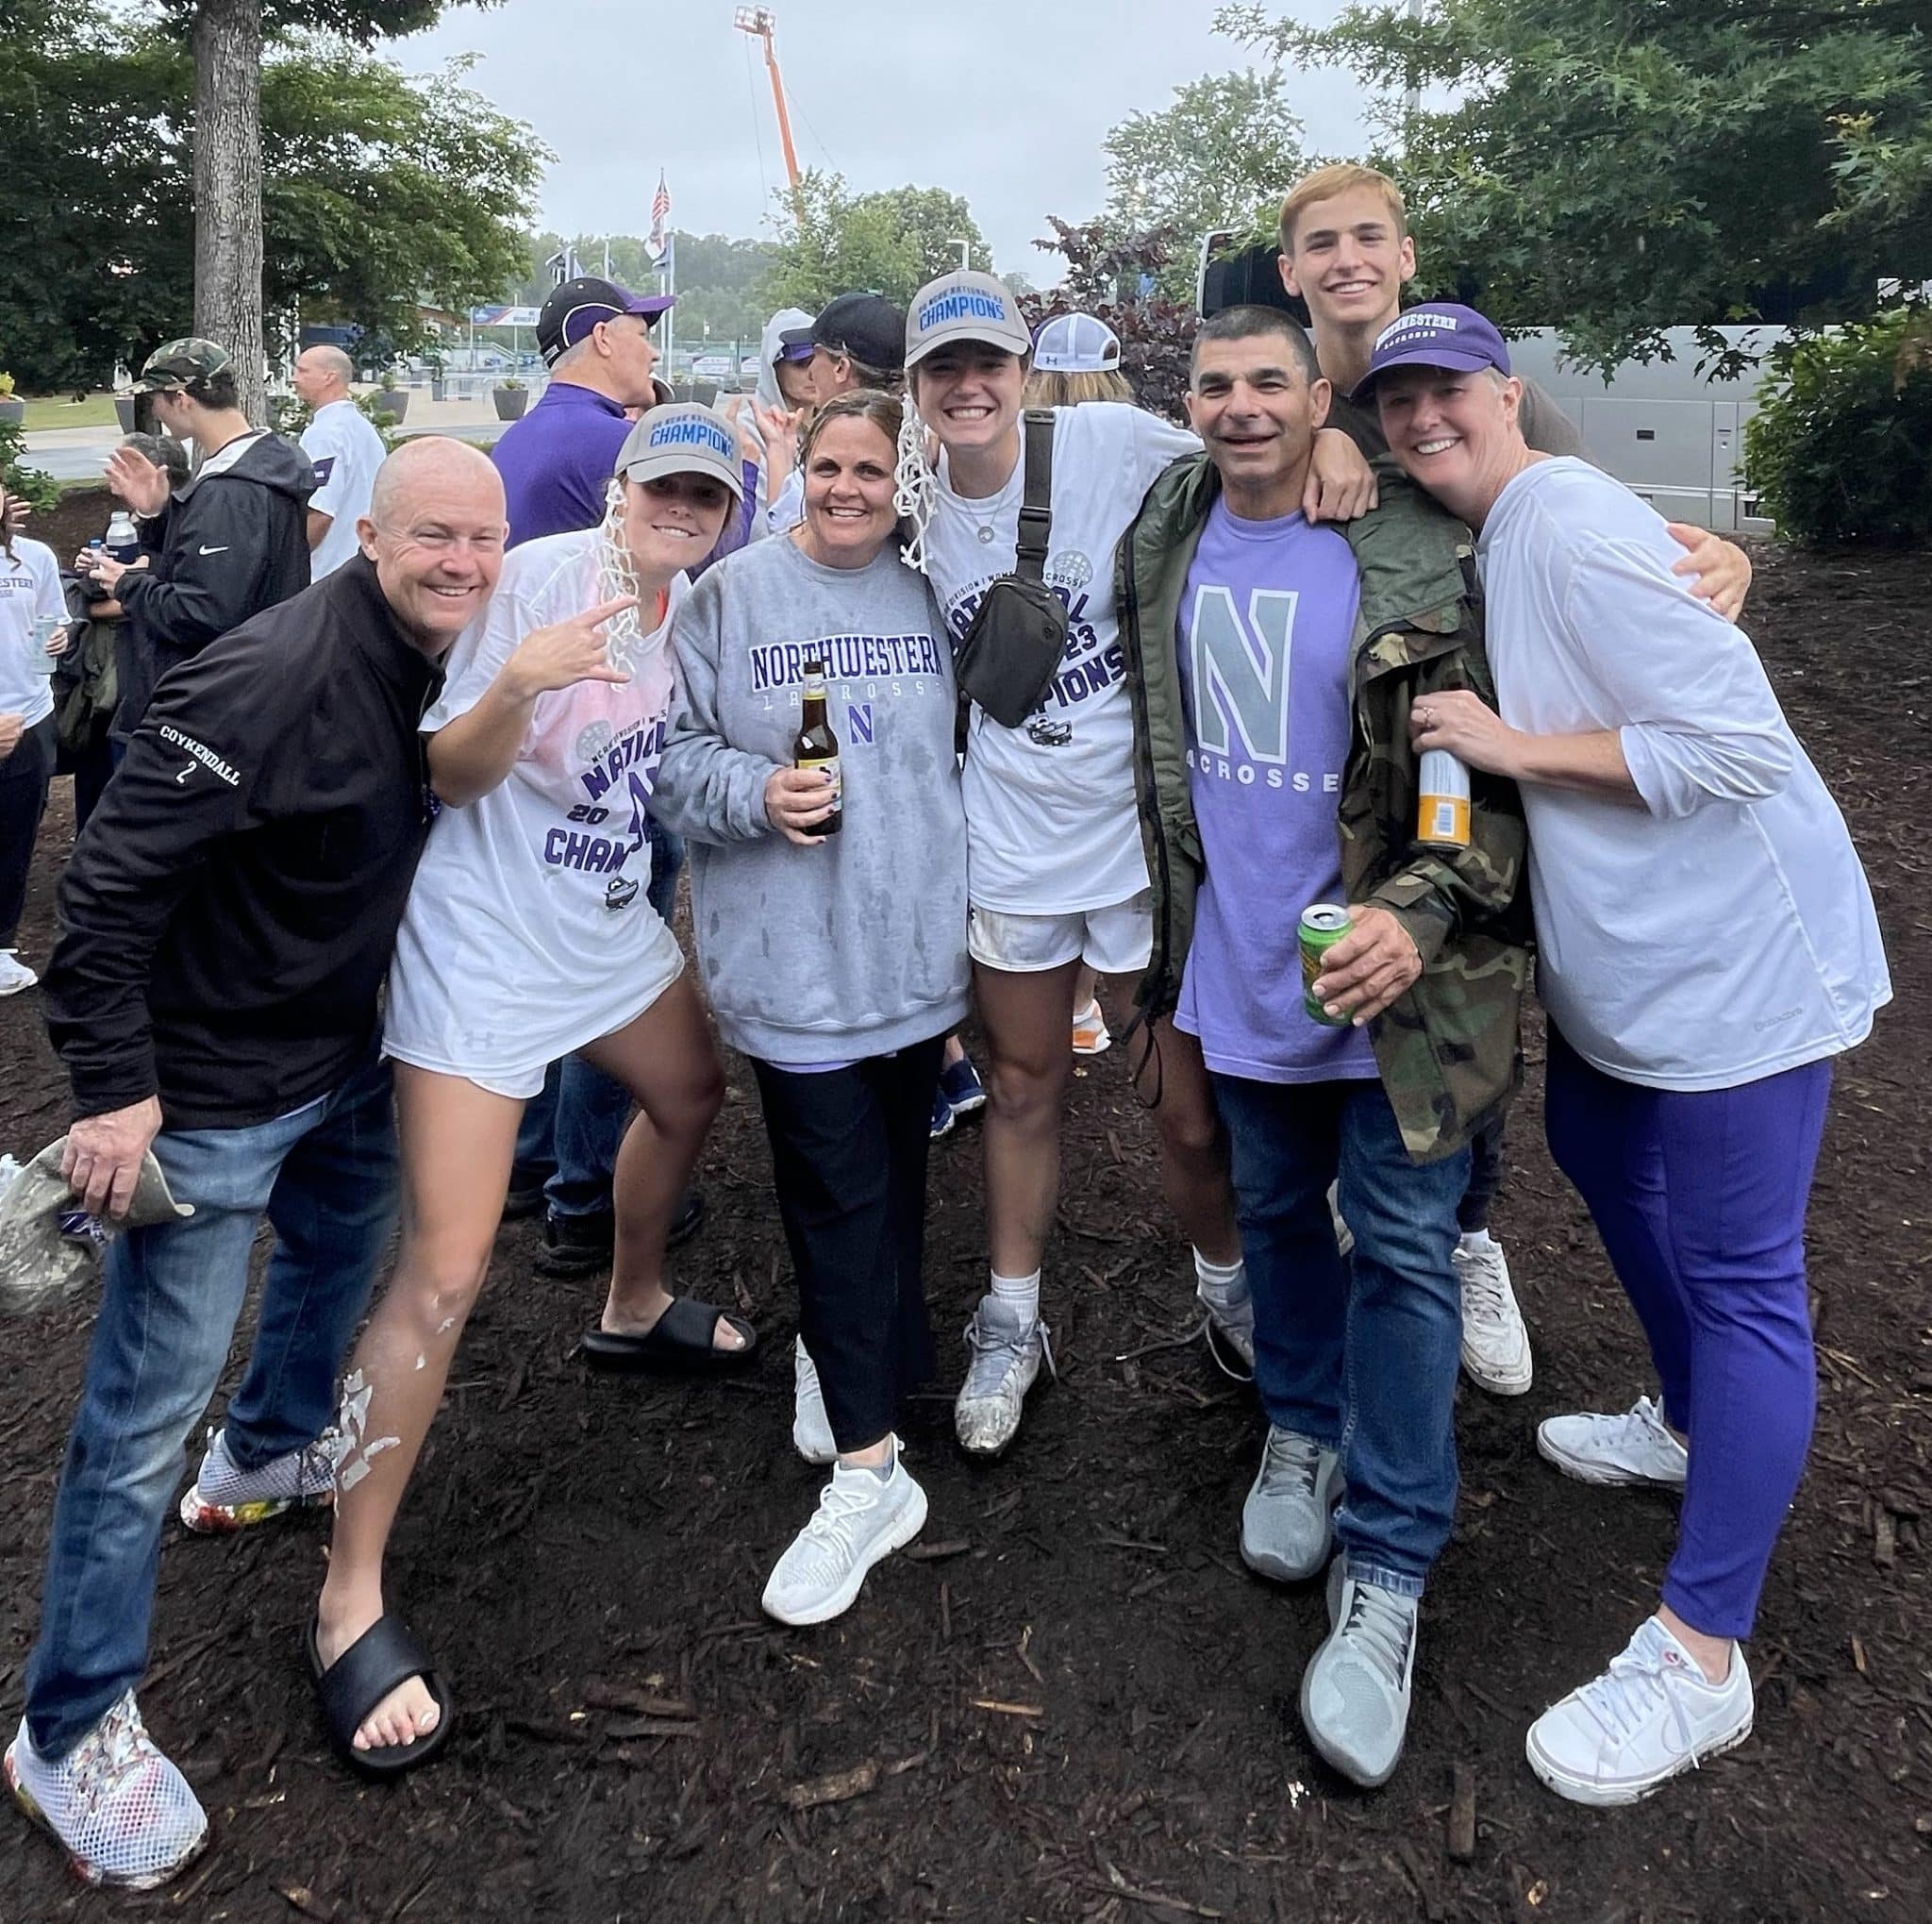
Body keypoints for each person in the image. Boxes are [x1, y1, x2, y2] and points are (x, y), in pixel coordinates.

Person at [1362, 303, 1890, 1805]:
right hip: (1634, 964)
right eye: (1396, 398)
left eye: (1445, 391)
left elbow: (1739, 747)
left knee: (1747, 1280)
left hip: (1735, 970)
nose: (1418, 418)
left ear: (1506, 393)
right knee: (1593, 1150)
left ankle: (1703, 1650)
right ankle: (1685, 1417)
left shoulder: (1572, 522)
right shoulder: (1493, 532)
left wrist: (1511, 747)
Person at [3, 439, 506, 1889]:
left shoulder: (445, 660)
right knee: (139, 1411)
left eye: (482, 537)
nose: (463, 562)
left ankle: (269, 1447)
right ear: (367, 530)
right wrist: (113, 1094)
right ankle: (68, 1723)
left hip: (346, 1057)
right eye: (433, 537)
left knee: (342, 1256)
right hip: (211, 1094)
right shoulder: (268, 674)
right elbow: (102, 884)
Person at [1119, 304, 1529, 1787]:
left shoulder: (1410, 545)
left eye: (1270, 384)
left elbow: (1470, 759)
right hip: (1240, 970)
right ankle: (1300, 1423)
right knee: (1281, 1214)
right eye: (1216, 386)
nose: (1240, 408)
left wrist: (1418, 911)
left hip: (1398, 980)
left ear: (1320, 397)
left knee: (1410, 1250)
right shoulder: (1166, 529)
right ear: (1191, 402)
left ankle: (1392, 1566)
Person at [310, 405, 749, 1774]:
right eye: (661, 486)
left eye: (707, 494)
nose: (680, 508)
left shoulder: (696, 609)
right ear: (620, 491)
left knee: (692, 1093)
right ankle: (347, 1594)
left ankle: (627, 1302)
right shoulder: (539, 578)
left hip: (607, 924)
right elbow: (444, 772)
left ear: (728, 513)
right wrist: (523, 681)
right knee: (444, 1270)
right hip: (485, 947)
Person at [1275, 163, 1757, 1398]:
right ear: (1290, 270)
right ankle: (1355, 1209)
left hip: (1493, 751)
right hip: (1335, 754)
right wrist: (1319, 429)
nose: (1346, 258)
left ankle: (1471, 1232)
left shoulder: (1501, 395)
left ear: (1406, 250)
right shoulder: (1288, 401)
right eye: (1321, 241)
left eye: (1368, 236)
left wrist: (1723, 554)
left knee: (1482, 992)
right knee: (1335, 978)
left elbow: (1619, 529)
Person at [895, 269, 1366, 1440]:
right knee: (1019, 1087)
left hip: (1138, 846)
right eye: (941, 369)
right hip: (1006, 846)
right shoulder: (905, 500)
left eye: (986, 364)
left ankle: (1226, 1286)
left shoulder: (1104, 440)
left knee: (1185, 1109)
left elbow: (1241, 440)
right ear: (913, 387)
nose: (967, 387)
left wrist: (1339, 447)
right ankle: (1012, 1318)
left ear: (1019, 372)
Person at [655, 391, 969, 1625]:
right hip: (797, 966)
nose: (847, 486)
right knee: (834, 1191)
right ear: (798, 471)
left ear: (905, 481)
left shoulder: (933, 595)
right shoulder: (728, 602)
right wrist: (756, 792)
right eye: (828, 465)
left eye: (871, 469)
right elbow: (670, 758)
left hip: (911, 954)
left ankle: (863, 1363)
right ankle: (870, 1472)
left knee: (889, 1174)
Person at [490, 273, 703, 1276]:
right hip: (606, 727)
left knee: (546, 957)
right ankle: (584, 1191)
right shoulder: (603, 442)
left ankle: (530, 1166)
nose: (651, 347)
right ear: (598, 335)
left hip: (530, 753)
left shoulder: (525, 436)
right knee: (618, 969)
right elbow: (708, 561)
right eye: (640, 330)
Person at [79, 339, 314, 741]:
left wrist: (126, 583)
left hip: (218, 706)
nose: (154, 409)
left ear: (182, 398)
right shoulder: (259, 462)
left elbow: (204, 612)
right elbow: (217, 569)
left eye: (156, 398)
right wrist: (156, 512)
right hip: (254, 687)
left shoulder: (232, 491)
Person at [1021, 312, 1139, 1065]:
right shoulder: (1134, 443)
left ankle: (1069, 1003)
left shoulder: (1016, 444)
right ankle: (1087, 1001)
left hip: (1021, 743)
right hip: (1117, 732)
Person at [491, 275, 673, 544]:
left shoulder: (510, 441)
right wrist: (749, 465)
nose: (654, 353)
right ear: (603, 338)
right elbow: (707, 569)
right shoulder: (625, 443)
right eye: (642, 336)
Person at [757, 292, 907, 540]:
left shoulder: (844, 443)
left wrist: (779, 455)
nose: (811, 372)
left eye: (813, 357)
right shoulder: (924, 441)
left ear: (841, 368)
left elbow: (789, 547)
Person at [0, 488, 70, 995]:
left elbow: (55, 620)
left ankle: (2, 945)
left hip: (31, 717)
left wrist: (59, 637)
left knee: (16, 835)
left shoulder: (35, 555)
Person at [292, 343, 389, 578]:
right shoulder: (363, 430)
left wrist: (291, 563)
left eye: (303, 371)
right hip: (362, 566)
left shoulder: (325, 434)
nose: (294, 379)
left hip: (326, 573)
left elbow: (320, 511)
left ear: (329, 377)